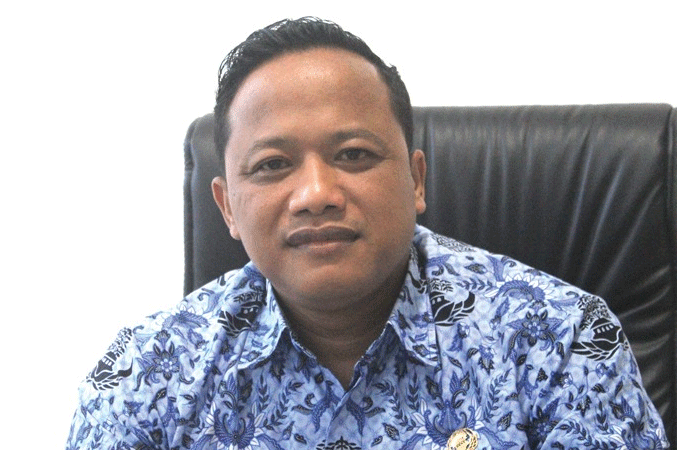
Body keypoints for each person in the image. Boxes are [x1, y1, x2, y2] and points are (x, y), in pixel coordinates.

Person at [67, 17, 669, 450]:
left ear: (416, 179)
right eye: (273, 165)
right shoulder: (146, 377)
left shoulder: (560, 342)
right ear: (226, 207)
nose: (316, 193)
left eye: (353, 154)